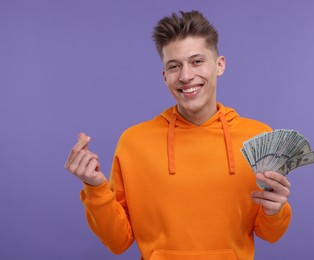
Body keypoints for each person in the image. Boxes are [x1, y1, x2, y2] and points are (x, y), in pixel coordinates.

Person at [64, 10, 292, 260]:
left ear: (219, 65)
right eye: (174, 66)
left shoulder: (259, 137)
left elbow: (271, 234)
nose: (185, 76)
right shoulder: (134, 142)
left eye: (197, 61)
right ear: (165, 76)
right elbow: (118, 242)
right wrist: (95, 187)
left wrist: (275, 210)